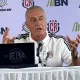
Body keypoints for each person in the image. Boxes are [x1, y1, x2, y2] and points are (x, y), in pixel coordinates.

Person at [2, 6, 80, 66]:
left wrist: (74, 55)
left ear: (46, 21)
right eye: (33, 20)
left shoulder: (59, 41)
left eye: (41, 19)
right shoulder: (17, 42)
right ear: (27, 25)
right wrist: (5, 50)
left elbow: (76, 68)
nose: (38, 23)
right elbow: (6, 71)